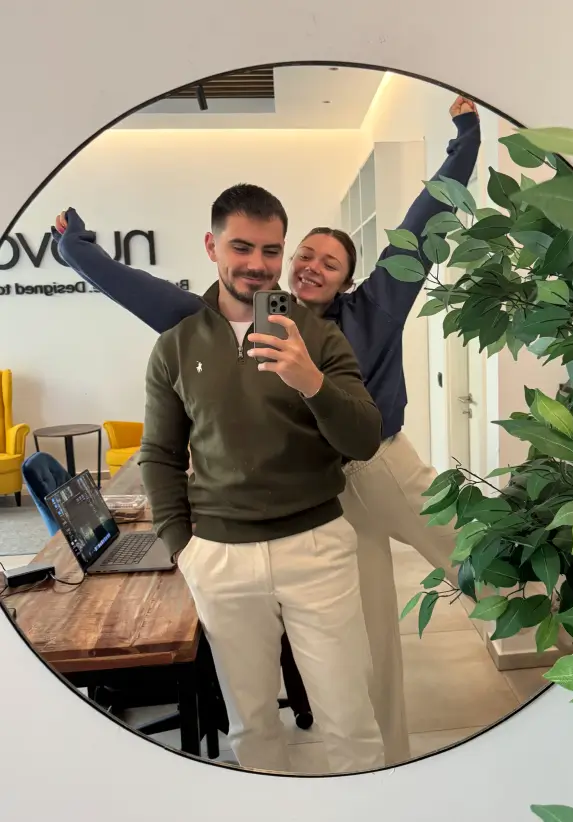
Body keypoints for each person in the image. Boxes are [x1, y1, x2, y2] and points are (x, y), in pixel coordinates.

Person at [52, 95, 481, 764]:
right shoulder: (237, 319)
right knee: (369, 640)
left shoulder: (368, 311)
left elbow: (420, 229)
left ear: (346, 281)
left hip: (380, 463)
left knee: (483, 561)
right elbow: (141, 291)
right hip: (327, 491)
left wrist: (464, 142)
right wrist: (76, 248)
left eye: (327, 262)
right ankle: (388, 759)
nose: (310, 266)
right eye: (302, 255)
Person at [138, 183, 384, 774]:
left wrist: (311, 382)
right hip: (219, 555)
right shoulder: (175, 347)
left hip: (316, 547)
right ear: (211, 246)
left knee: (350, 722)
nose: (258, 265)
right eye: (241, 247)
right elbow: (159, 453)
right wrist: (182, 547)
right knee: (252, 726)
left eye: (272, 250)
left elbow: (364, 439)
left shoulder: (318, 336)